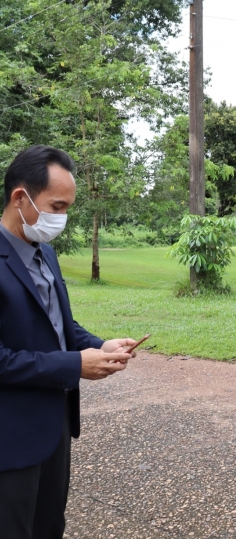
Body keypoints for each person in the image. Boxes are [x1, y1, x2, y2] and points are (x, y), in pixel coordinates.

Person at [0, 145, 137, 539]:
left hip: (55, 426)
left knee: (49, 527)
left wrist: (100, 344)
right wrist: (75, 365)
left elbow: (59, 325)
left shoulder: (46, 254)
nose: (61, 218)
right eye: (56, 207)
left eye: (67, 209)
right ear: (20, 198)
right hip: (10, 438)